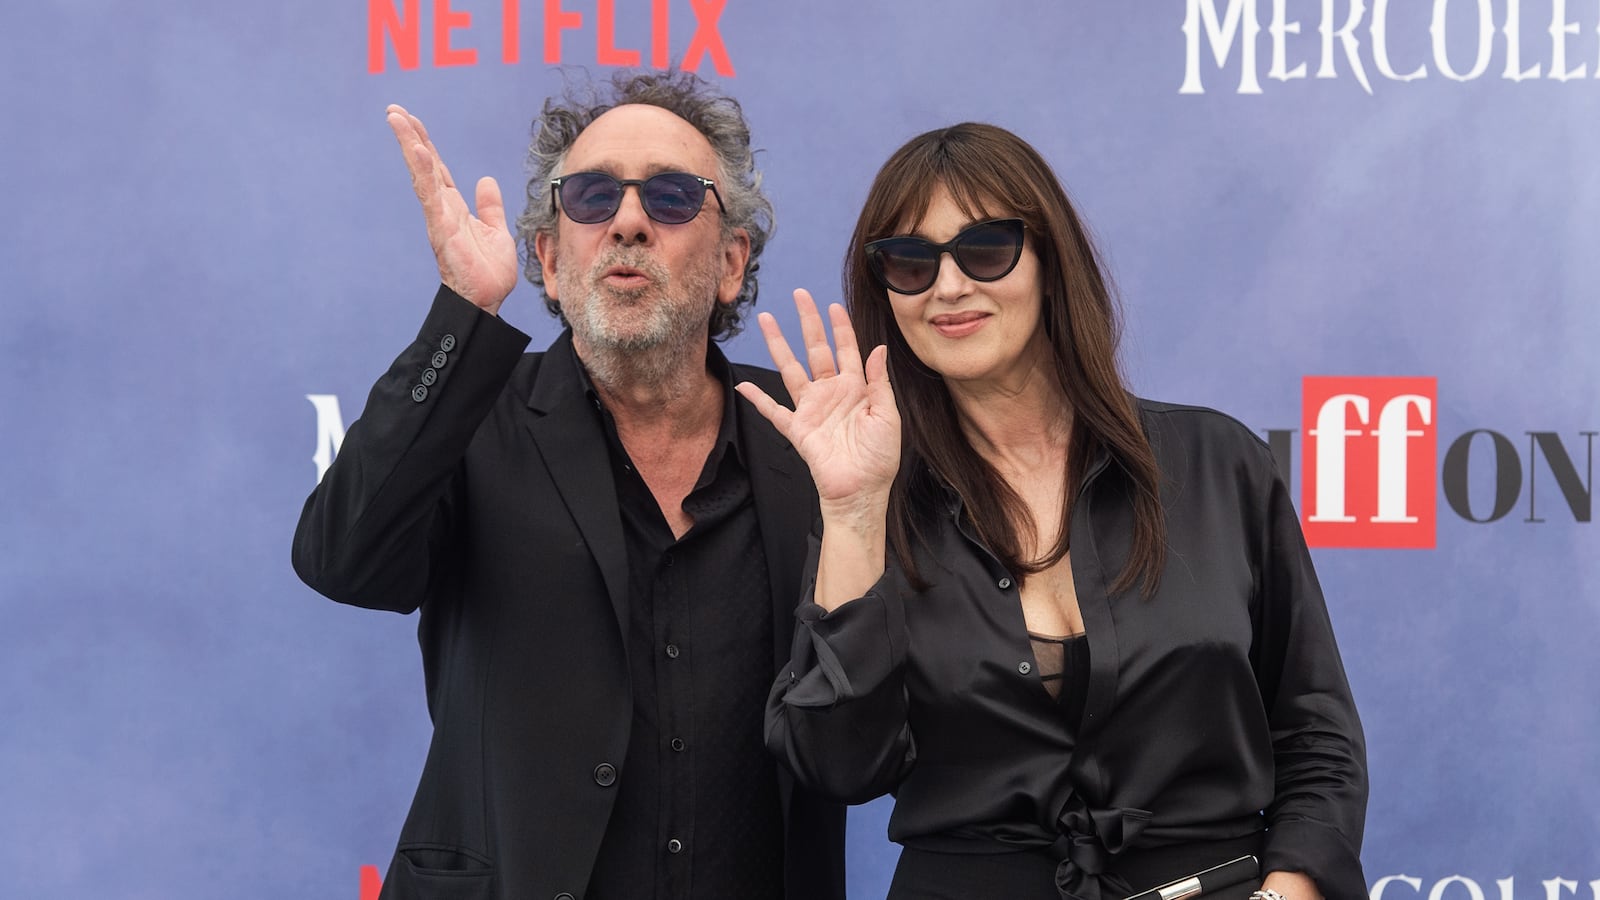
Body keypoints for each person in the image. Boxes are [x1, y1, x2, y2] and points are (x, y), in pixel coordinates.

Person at [736, 123, 1368, 900]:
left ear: (1049, 260)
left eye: (986, 248)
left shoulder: (1219, 463)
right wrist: (855, 511)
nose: (949, 286)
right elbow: (835, 762)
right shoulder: (871, 495)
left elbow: (1315, 732)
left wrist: (1289, 892)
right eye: (911, 261)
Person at [291, 69, 845, 900]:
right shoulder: (470, 417)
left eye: (670, 197)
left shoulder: (811, 440)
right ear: (548, 259)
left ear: (732, 263)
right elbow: (343, 561)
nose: (627, 222)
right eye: (590, 197)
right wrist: (462, 313)